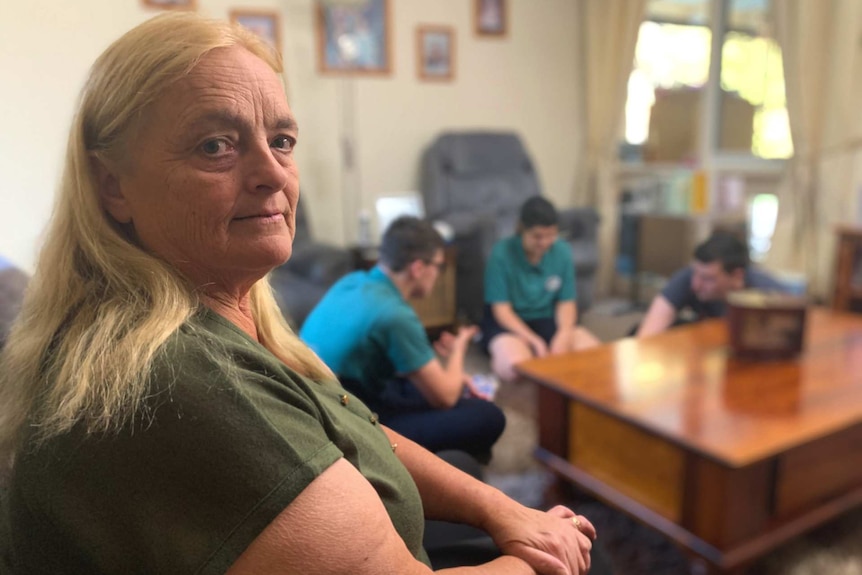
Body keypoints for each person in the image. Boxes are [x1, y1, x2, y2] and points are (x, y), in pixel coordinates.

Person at [0, 13, 602, 574]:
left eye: (282, 140)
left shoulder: (224, 307)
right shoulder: (177, 379)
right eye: (216, 145)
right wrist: (543, 556)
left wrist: (502, 509)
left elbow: (355, 429)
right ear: (113, 186)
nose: (273, 173)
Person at [301, 216, 506, 461]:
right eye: (438, 266)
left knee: (449, 389)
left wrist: (455, 378)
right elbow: (444, 398)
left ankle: (454, 462)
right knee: (489, 416)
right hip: (353, 423)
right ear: (418, 268)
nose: (438, 274)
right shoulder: (395, 315)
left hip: (327, 401)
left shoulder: (352, 282)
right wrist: (459, 349)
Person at [480, 196, 601, 384]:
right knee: (515, 368)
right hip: (508, 322)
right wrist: (533, 340)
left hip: (545, 317)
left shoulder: (562, 251)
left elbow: (566, 301)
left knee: (598, 356)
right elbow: (501, 311)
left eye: (551, 235)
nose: (544, 243)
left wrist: (564, 333)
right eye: (537, 236)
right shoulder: (500, 254)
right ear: (521, 229)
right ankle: (516, 351)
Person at [636, 230, 790, 337]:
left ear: (737, 276)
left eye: (707, 278)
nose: (696, 285)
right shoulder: (689, 278)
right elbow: (648, 333)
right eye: (695, 273)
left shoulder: (770, 294)